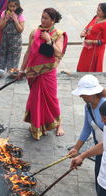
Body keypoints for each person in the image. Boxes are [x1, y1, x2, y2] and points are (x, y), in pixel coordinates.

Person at [17, 8, 68, 140]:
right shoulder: (34, 33)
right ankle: (37, 126)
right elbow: (28, 53)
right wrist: (22, 70)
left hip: (48, 73)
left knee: (51, 99)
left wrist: (49, 40)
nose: (43, 20)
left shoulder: (58, 34)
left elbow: (58, 52)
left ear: (53, 20)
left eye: (46, 18)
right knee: (35, 100)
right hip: (33, 73)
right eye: (42, 17)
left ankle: (58, 125)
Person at [68, 75, 106, 196]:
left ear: (92, 93)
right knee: (99, 175)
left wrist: (82, 155)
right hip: (99, 148)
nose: (81, 96)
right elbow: (87, 128)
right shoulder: (88, 107)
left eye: (83, 93)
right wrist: (76, 148)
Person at [76, 3, 106, 72]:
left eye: (99, 10)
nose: (97, 11)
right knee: (83, 63)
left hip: (96, 50)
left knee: (91, 66)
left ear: (104, 13)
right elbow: (88, 26)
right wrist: (83, 32)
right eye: (97, 9)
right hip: (87, 47)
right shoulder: (96, 17)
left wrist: (92, 41)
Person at [0, 0, 25, 71]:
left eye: (14, 6)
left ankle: (11, 76)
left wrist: (16, 20)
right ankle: (1, 74)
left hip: (15, 42)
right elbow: (0, 27)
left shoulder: (20, 15)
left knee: (13, 61)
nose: (12, 8)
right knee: (2, 58)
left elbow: (20, 30)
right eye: (10, 6)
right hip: (5, 40)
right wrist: (5, 19)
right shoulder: (4, 13)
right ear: (7, 6)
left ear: (17, 6)